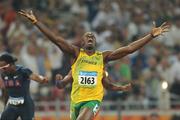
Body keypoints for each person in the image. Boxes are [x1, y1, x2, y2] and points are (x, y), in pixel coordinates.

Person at [18, 10, 170, 120]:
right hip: (75, 102)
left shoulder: (103, 57)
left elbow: (129, 49)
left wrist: (150, 36)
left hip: (93, 101)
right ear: (82, 42)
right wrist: (36, 22)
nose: (90, 37)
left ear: (95, 42)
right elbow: (56, 40)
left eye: (93, 37)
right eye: (87, 36)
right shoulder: (76, 53)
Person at [0, 53, 49, 120]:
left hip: (25, 105)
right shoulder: (4, 75)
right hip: (12, 105)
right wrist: (5, 104)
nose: (2, 70)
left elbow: (34, 77)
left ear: (11, 65)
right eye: (0, 67)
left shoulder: (23, 71)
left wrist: (42, 79)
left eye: (4, 67)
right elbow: (6, 91)